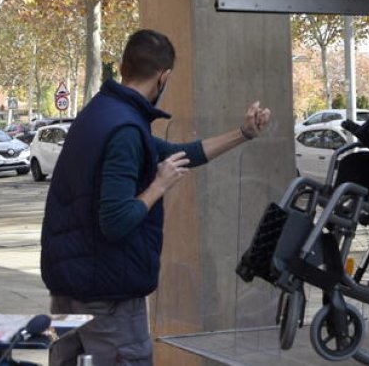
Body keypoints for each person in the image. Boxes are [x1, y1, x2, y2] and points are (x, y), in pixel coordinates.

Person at [41, 29, 273, 366]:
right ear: (164, 77)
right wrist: (158, 186)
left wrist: (243, 134)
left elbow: (179, 155)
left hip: (72, 288)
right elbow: (116, 221)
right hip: (107, 298)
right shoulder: (125, 130)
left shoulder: (100, 114)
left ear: (122, 66)